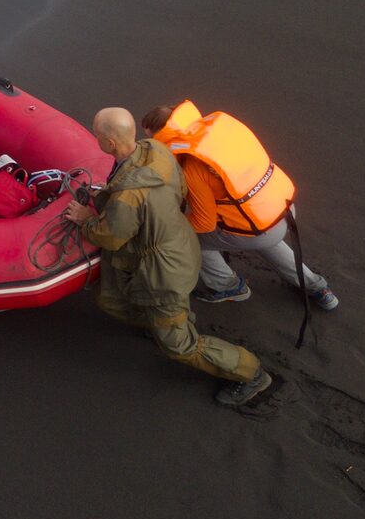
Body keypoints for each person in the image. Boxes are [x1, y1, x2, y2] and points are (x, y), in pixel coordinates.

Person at [63, 107, 272, 407]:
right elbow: (181, 189)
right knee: (110, 299)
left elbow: (110, 236)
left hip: (162, 273)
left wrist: (85, 219)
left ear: (108, 142)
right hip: (178, 243)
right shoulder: (156, 151)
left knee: (178, 345)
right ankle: (161, 322)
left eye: (98, 135)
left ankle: (250, 373)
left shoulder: (127, 198)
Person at [143, 102, 339, 310]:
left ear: (165, 138)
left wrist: (167, 228)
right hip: (281, 209)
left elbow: (204, 223)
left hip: (258, 229)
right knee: (266, 234)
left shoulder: (192, 167)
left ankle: (228, 285)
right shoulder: (217, 133)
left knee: (191, 239)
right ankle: (318, 288)